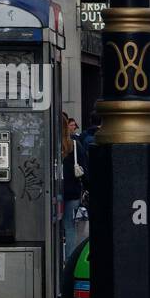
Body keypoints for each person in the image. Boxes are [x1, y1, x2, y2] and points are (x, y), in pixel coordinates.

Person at [61, 110, 87, 259]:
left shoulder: (48, 144)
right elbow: (85, 168)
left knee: (53, 227)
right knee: (70, 228)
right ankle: (69, 260)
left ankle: (54, 258)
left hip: (53, 192)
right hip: (72, 191)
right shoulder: (75, 145)